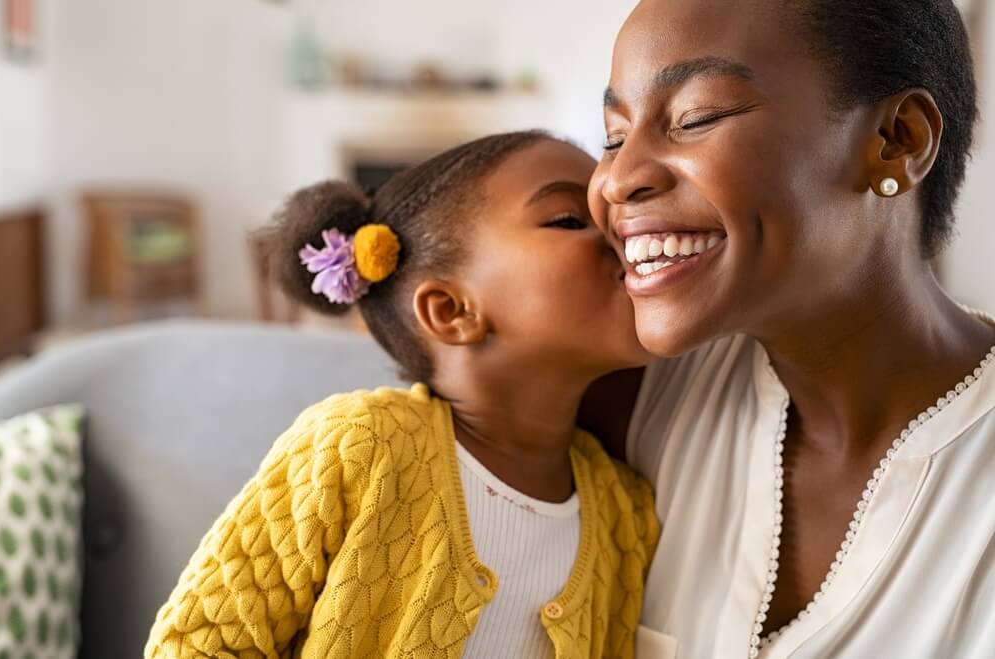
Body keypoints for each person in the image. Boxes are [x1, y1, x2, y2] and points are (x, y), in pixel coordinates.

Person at [580, 0, 995, 657]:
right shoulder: (631, 400)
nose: (617, 179)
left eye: (696, 117)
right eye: (613, 135)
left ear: (898, 140)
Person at [144, 131, 660, 659]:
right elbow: (197, 645)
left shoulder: (626, 515)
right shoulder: (357, 447)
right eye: (570, 220)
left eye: (612, 213)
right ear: (452, 312)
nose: (624, 233)